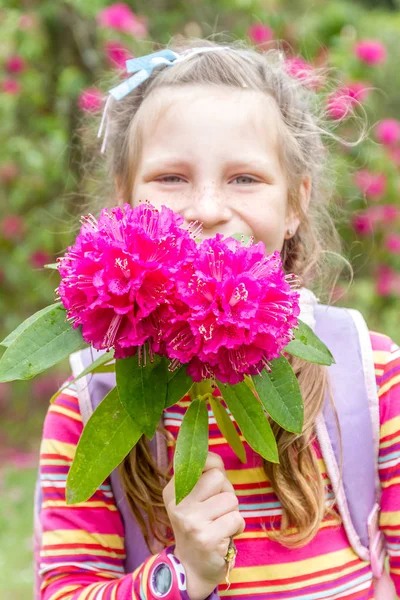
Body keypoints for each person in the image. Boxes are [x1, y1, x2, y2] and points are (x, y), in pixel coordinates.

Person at [36, 38, 400, 600]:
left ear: (295, 204)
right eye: (171, 178)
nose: (208, 209)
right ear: (124, 201)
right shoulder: (89, 405)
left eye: (245, 179)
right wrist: (183, 573)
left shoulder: (371, 373)